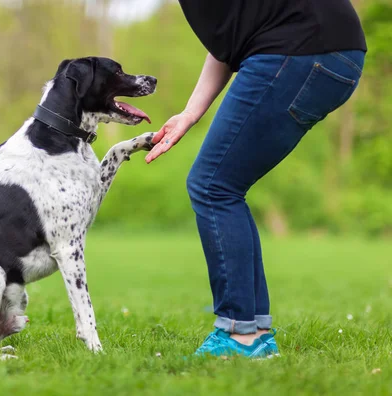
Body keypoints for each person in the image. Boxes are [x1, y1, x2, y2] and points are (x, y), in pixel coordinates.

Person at [145, 0, 367, 358]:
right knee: (224, 187)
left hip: (299, 49)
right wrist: (190, 113)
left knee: (212, 186)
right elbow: (231, 43)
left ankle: (238, 335)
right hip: (332, 52)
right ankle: (256, 333)